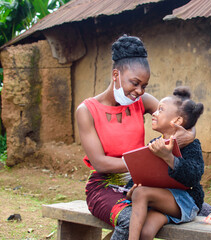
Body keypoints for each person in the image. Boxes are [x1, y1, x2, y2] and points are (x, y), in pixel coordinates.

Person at [75, 35, 195, 239]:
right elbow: (101, 163)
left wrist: (188, 136)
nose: (139, 91)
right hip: (104, 187)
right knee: (132, 221)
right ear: (116, 74)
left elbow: (182, 120)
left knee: (188, 205)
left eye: (145, 86)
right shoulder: (87, 110)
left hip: (140, 185)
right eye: (135, 83)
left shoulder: (143, 101)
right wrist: (148, 159)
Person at [125, 86, 205, 240]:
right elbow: (141, 174)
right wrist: (131, 190)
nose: (154, 113)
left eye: (160, 110)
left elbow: (194, 176)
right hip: (161, 202)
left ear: (177, 121)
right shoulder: (155, 144)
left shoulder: (192, 146)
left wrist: (169, 158)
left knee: (142, 193)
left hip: (187, 201)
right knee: (146, 232)